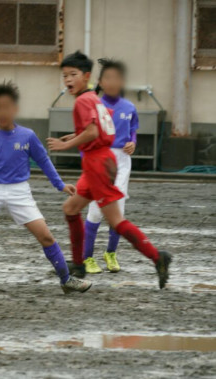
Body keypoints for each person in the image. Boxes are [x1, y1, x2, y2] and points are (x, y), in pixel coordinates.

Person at [47, 51, 171, 289]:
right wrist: (76, 136)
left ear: (86, 76)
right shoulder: (94, 98)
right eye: (64, 76)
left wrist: (66, 144)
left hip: (97, 164)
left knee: (115, 220)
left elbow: (93, 132)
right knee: (71, 208)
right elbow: (103, 129)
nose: (68, 80)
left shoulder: (85, 100)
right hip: (101, 161)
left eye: (73, 75)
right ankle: (79, 263)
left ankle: (158, 257)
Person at [0, 82, 92, 296]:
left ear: (15, 109)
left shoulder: (27, 136)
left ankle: (66, 280)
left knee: (46, 236)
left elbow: (44, 161)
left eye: (6, 107)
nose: (2, 112)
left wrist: (60, 184)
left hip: (20, 192)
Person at [82, 58, 139, 274]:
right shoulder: (94, 105)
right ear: (101, 81)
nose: (113, 82)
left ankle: (111, 253)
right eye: (108, 77)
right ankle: (87, 257)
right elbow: (85, 136)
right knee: (96, 210)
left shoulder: (130, 107)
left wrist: (133, 141)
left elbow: (133, 129)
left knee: (119, 211)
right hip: (101, 161)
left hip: (123, 162)